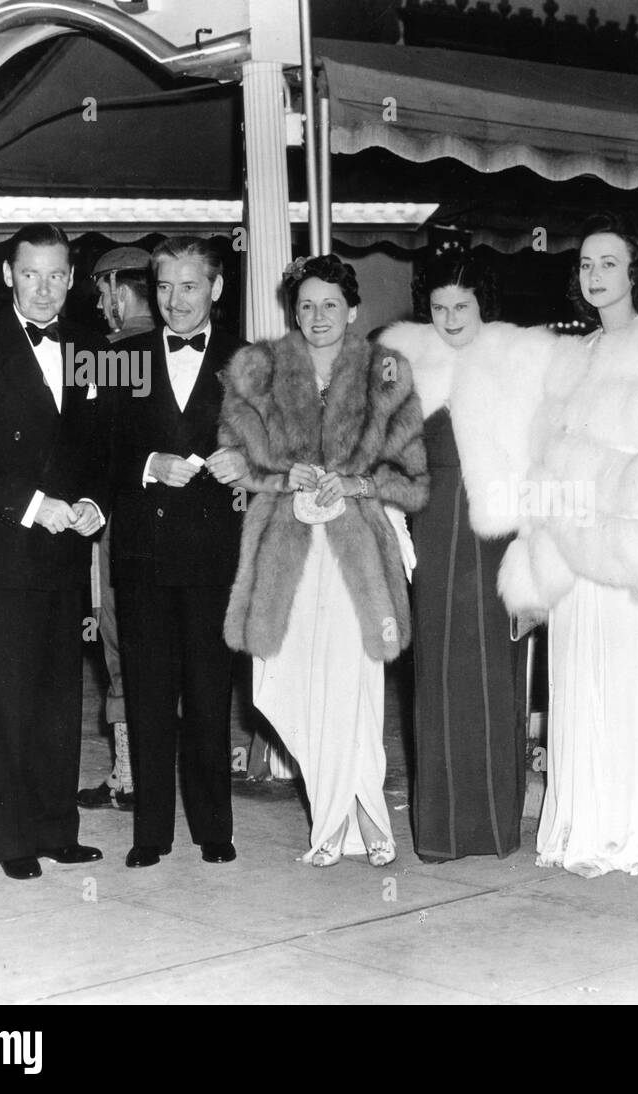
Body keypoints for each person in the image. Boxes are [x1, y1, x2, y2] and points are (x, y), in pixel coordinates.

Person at [499, 212, 638, 878]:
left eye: (608, 263)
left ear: (634, 272)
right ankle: (589, 823)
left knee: (637, 678)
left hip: (637, 549)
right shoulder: (571, 355)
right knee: (584, 682)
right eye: (586, 264)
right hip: (576, 551)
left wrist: (626, 496)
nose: (595, 276)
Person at [212, 255, 428, 867]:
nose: (317, 316)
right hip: (288, 554)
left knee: (355, 684)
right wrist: (285, 475)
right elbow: (236, 462)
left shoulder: (385, 374)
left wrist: (354, 484)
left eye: (330, 304)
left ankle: (357, 816)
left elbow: (411, 478)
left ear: (353, 311)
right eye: (305, 305)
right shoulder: (259, 371)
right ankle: (332, 807)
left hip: (358, 554)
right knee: (297, 683)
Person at [0, 222, 110, 880]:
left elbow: (99, 447)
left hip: (65, 556)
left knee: (60, 701)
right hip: (1, 552)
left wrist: (96, 504)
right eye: (30, 274)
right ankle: (10, 841)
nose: (43, 288)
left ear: (71, 278)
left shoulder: (91, 348)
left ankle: (58, 828)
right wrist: (33, 506)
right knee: (5, 701)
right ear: (8, 275)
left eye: (56, 275)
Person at [380, 252, 555, 862]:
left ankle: (492, 828)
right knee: (433, 678)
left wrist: (535, 570)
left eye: (463, 306)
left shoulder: (521, 359)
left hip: (494, 541)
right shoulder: (402, 360)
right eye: (439, 307)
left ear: (485, 306)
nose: (450, 319)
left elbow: (540, 466)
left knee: (493, 678)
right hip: (427, 532)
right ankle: (441, 832)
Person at [111, 236, 245, 869]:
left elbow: (285, 446)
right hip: (145, 555)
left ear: (215, 289)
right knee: (147, 695)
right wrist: (145, 463)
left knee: (210, 692)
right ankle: (151, 832)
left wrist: (248, 461)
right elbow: (93, 451)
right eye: (164, 287)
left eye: (189, 286)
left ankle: (214, 827)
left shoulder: (250, 360)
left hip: (217, 553)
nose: (175, 301)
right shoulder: (123, 358)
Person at [78, 246, 156, 811]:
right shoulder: (178, 353)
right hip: (181, 529)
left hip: (119, 525)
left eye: (102, 293)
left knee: (119, 644)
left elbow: (88, 450)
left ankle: (130, 774)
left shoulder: (108, 356)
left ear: (116, 290)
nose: (102, 306)